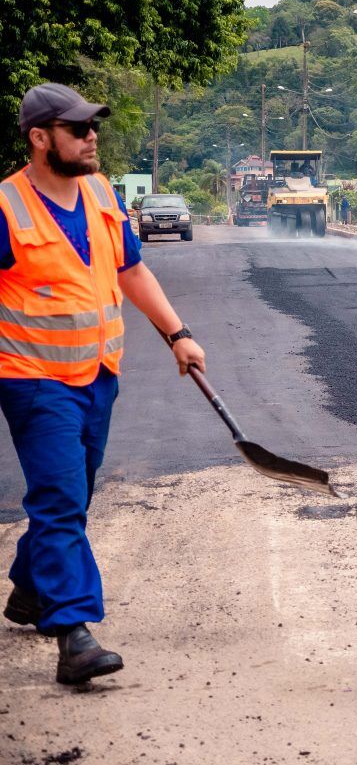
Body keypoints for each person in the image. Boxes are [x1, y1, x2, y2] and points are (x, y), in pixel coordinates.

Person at [1, 83, 206, 684]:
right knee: (62, 497)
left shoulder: (98, 192)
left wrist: (178, 334)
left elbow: (130, 269)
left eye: (93, 126)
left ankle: (28, 588)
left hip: (97, 374)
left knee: (74, 493)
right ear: (40, 139)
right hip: (33, 378)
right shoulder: (6, 207)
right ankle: (73, 633)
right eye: (77, 128)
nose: (92, 137)